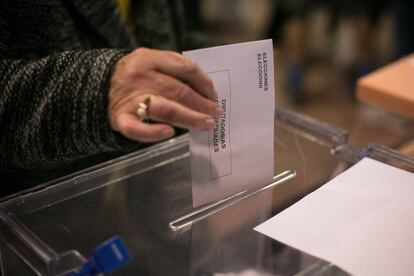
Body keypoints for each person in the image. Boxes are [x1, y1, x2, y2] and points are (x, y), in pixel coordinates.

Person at [0, 0, 221, 196]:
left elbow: (170, 35)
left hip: (148, 193)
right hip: (39, 208)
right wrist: (99, 88)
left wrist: (229, 59)